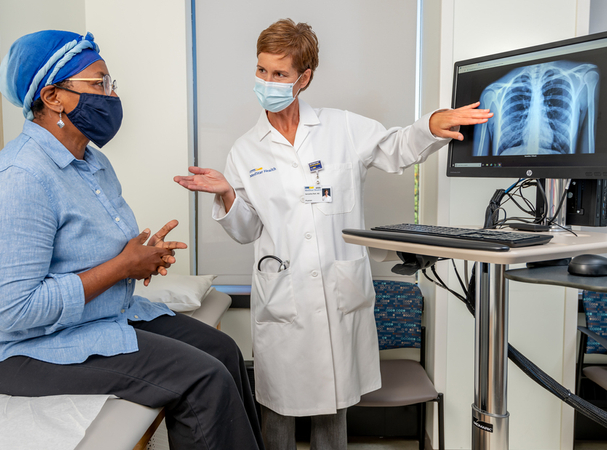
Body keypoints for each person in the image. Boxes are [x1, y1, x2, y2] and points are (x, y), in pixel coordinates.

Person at [173, 19, 492, 449]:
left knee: (333, 411)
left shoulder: (341, 128)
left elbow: (394, 147)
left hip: (337, 294)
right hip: (284, 301)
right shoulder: (246, 149)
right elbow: (246, 230)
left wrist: (431, 124)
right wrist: (229, 193)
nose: (267, 82)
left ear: (303, 78)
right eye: (262, 70)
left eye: (280, 74)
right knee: (278, 415)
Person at [0, 30, 263, 450]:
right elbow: (14, 310)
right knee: (202, 378)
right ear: (53, 97)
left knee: (224, 351)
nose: (111, 94)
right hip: (18, 350)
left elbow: (97, 254)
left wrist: (142, 258)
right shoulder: (20, 178)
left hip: (93, 318)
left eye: (110, 84)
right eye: (98, 84)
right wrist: (123, 267)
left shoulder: (92, 162)